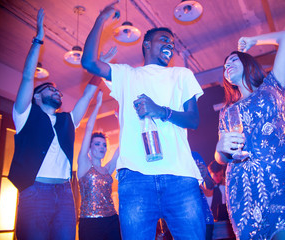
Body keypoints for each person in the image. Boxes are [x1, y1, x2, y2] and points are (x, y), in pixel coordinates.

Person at [81, 2, 205, 239]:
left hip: (179, 175)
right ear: (147, 44)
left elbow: (194, 120)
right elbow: (88, 62)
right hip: (135, 178)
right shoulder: (126, 74)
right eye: (163, 40)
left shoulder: (182, 75)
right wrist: (100, 20)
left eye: (172, 43)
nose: (170, 45)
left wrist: (161, 111)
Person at [8, 8, 99, 240]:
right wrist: (39, 38)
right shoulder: (25, 114)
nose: (57, 92)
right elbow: (28, 77)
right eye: (50, 88)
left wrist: (101, 67)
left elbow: (87, 96)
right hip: (35, 191)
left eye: (58, 91)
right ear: (37, 97)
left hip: (66, 193)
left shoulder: (66, 120)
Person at [215, 30, 285, 239]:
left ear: (247, 63)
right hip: (243, 192)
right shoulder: (226, 111)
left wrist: (253, 40)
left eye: (232, 60)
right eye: (224, 67)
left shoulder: (273, 85)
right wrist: (219, 149)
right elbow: (221, 158)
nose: (226, 66)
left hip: (283, 182)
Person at [77, 90, 121, 240]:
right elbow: (88, 129)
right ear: (89, 147)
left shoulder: (107, 169)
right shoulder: (84, 164)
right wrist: (98, 105)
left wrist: (120, 120)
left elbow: (121, 148)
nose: (102, 147)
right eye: (97, 144)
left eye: (104, 145)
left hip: (112, 219)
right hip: (90, 222)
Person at [192, 152, 215, 240]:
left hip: (203, 217)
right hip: (180, 219)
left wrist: (205, 176)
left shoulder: (194, 155)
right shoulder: (171, 157)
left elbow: (210, 186)